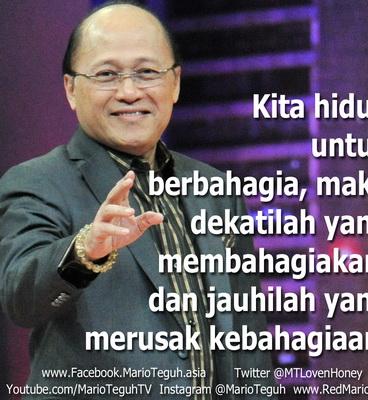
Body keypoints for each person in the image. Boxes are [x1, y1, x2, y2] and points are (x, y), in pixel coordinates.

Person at [0, 1, 276, 398]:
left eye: (147, 72)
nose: (129, 92)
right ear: (71, 89)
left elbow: (247, 342)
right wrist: (85, 252)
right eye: (107, 74)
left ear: (175, 83)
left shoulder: (215, 188)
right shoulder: (37, 181)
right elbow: (20, 299)